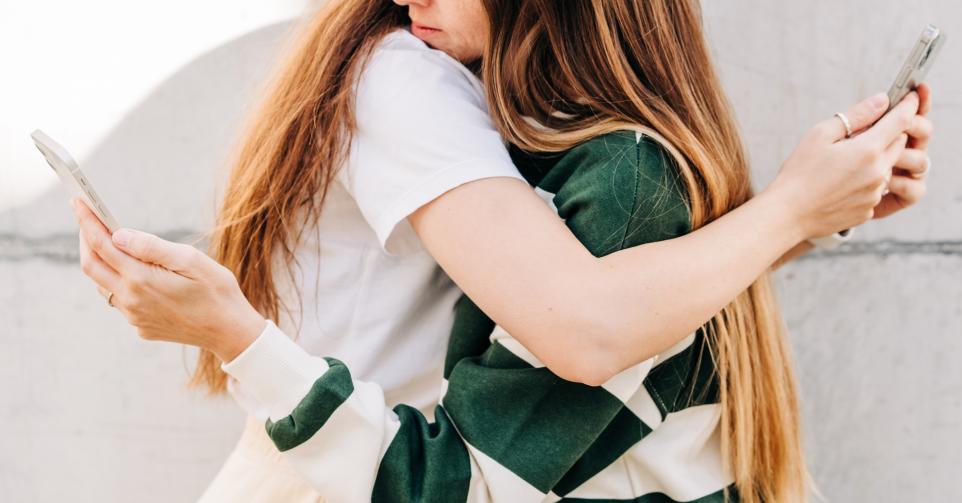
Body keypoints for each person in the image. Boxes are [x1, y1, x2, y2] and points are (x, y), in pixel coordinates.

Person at [69, 0, 934, 501]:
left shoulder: (604, 171)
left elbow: (598, 317)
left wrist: (805, 213)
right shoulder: (414, 76)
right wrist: (789, 212)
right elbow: (590, 325)